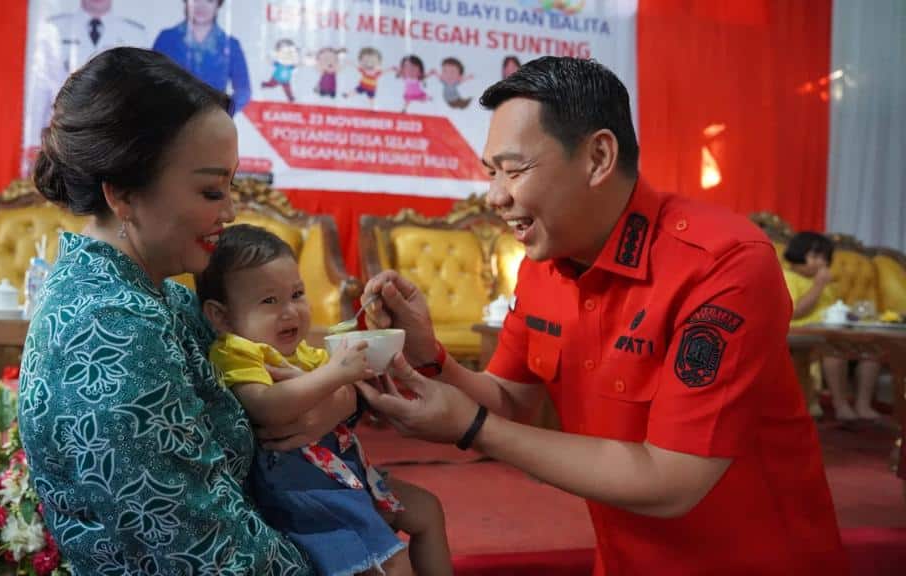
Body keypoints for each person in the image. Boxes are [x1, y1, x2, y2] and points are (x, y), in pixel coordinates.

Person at [357, 56, 848, 575]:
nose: (495, 196)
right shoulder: (544, 265)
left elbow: (673, 479)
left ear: (597, 157)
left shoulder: (723, 264)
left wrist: (473, 427)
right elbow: (509, 400)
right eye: (490, 172)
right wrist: (427, 356)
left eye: (514, 169)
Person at [19, 47, 355, 574]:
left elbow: (274, 389)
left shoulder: (161, 298)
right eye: (210, 190)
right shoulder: (109, 332)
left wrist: (334, 402)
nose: (229, 211)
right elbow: (201, 548)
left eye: (230, 187)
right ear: (124, 194)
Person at [197, 224, 452, 576]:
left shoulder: (300, 351)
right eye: (269, 301)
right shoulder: (240, 353)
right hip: (302, 491)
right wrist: (335, 375)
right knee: (392, 562)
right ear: (220, 316)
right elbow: (265, 406)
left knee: (427, 509)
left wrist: (359, 360)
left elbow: (348, 397)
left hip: (346, 472)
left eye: (297, 294)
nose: (290, 311)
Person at [24, 0, 147, 160]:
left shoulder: (134, 33)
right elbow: (41, 88)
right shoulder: (54, 28)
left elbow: (140, 94)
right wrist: (33, 140)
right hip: (64, 137)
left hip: (116, 139)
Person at [783, 232, 883, 421]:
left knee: (872, 353)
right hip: (801, 332)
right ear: (797, 254)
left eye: (824, 258)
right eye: (814, 256)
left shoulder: (827, 284)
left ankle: (863, 405)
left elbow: (834, 310)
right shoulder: (788, 276)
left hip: (831, 333)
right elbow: (794, 311)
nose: (821, 263)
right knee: (835, 353)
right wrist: (818, 286)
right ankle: (841, 405)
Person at [152, 0, 252, 114]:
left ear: (218, 4)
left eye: (209, 1)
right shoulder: (166, 38)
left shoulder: (230, 45)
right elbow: (151, 81)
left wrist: (221, 114)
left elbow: (243, 91)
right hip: (172, 120)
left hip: (212, 124)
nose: (201, 6)